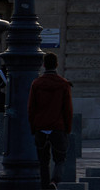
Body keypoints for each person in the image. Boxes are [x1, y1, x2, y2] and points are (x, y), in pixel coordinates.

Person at [28, 53, 73, 190]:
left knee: (43, 162)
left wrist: (33, 128)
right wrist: (67, 129)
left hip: (40, 127)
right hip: (58, 127)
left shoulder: (36, 84)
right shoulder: (63, 84)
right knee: (60, 159)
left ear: (43, 65)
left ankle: (44, 187)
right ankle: (54, 181)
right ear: (57, 65)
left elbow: (31, 108)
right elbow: (68, 110)